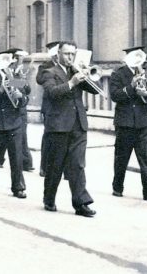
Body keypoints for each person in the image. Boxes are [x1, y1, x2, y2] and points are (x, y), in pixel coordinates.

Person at [41, 41, 97, 217]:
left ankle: (81, 204)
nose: (70, 58)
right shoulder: (48, 72)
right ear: (58, 54)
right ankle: (49, 198)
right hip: (58, 126)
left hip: (78, 124)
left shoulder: (76, 71)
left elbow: (96, 90)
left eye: (73, 54)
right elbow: (52, 93)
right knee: (55, 166)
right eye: (66, 54)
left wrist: (86, 75)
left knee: (77, 165)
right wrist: (72, 83)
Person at [110, 46, 147, 201]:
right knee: (122, 158)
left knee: (145, 158)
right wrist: (131, 87)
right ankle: (117, 187)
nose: (137, 62)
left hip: (143, 122)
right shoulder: (118, 74)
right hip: (125, 122)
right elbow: (115, 95)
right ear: (127, 58)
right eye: (134, 57)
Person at [0, 51, 28, 198]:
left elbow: (26, 93)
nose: (8, 65)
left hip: (14, 121)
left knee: (16, 156)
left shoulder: (14, 78)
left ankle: (18, 187)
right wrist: (1, 90)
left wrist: (20, 95)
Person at [37, 41, 59, 177]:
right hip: (50, 107)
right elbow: (39, 80)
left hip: (65, 108)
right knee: (49, 138)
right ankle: (44, 167)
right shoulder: (45, 66)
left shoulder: (69, 66)